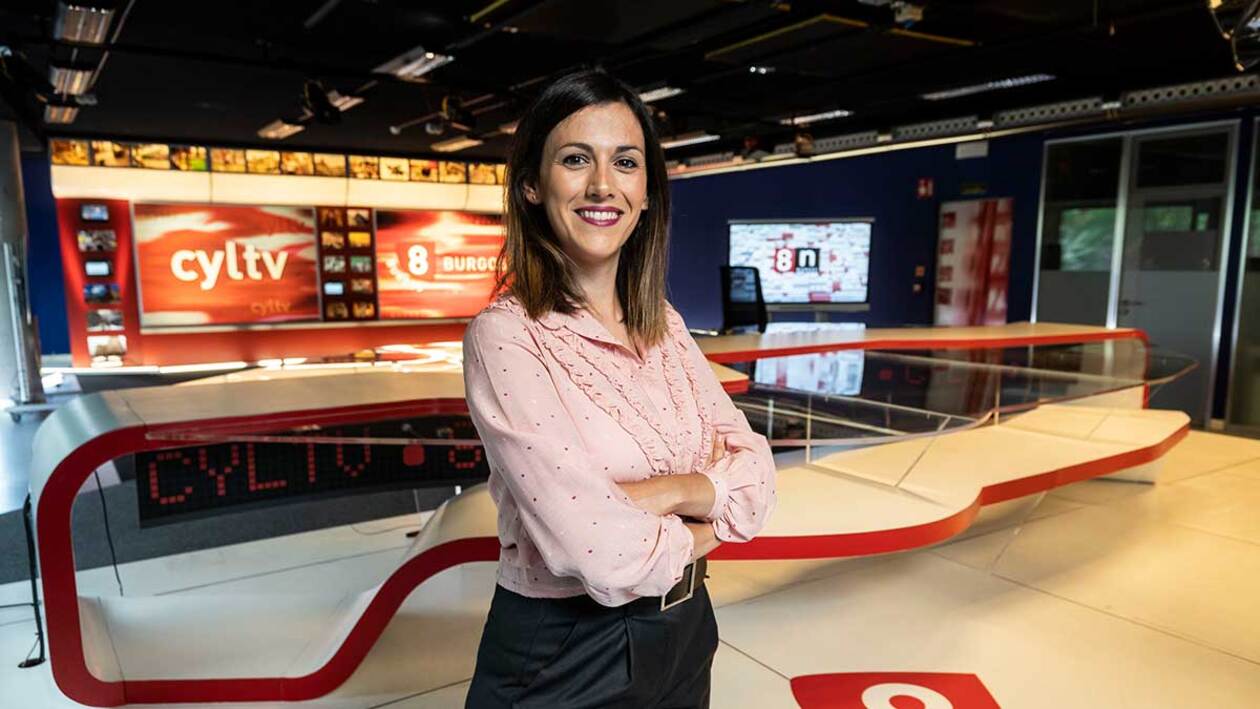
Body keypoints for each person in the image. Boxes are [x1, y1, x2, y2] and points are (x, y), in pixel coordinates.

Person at [462, 68, 777, 708]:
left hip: (688, 628)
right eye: (576, 159)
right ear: (531, 185)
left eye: (626, 162)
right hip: (565, 653)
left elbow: (760, 479)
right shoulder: (507, 336)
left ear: (647, 193)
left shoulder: (666, 325)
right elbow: (596, 550)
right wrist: (713, 511)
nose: (602, 185)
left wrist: (663, 494)